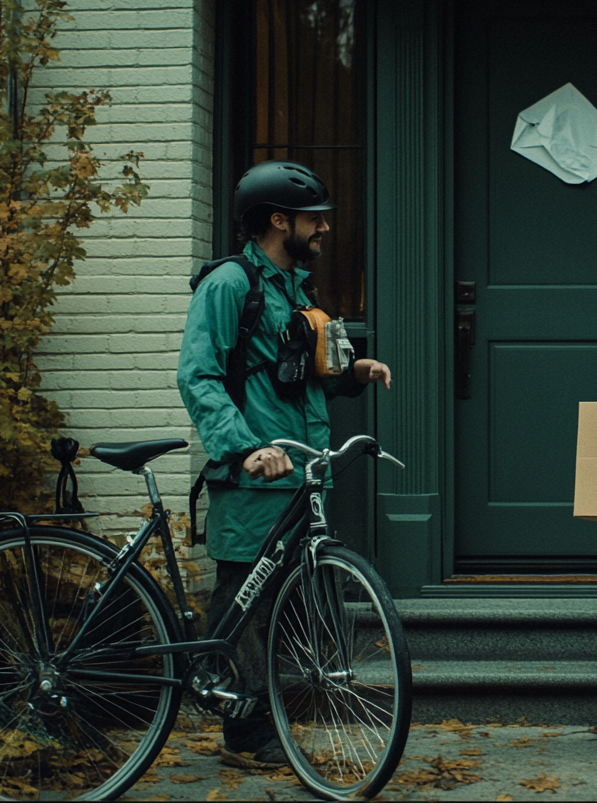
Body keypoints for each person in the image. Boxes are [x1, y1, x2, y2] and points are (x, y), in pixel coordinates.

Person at [177, 160, 392, 769]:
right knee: (244, 600)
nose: (324, 228)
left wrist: (355, 374)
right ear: (278, 220)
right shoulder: (230, 285)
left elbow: (299, 374)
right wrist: (246, 448)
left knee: (278, 601)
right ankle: (244, 732)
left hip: (301, 472)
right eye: (314, 218)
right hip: (255, 476)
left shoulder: (295, 286)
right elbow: (198, 376)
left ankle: (259, 715)